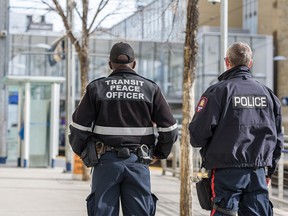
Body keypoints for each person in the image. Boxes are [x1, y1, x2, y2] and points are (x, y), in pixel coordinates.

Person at [69, 42, 178, 216]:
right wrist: (159, 153)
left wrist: (85, 152)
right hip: (139, 162)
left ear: (110, 64)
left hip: (105, 163)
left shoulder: (97, 88)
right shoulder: (150, 89)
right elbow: (170, 129)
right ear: (134, 64)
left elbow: (78, 128)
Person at [189, 42, 283, 216]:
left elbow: (197, 136)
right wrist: (269, 171)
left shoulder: (217, 92)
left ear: (227, 62)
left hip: (226, 171)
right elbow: (278, 138)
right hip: (258, 171)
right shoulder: (268, 95)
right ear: (250, 63)